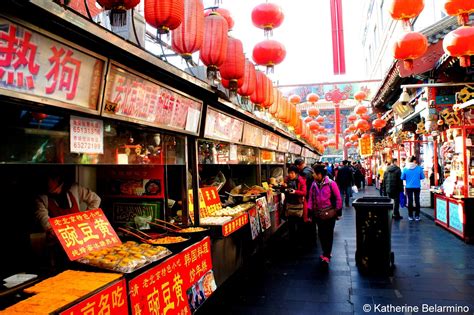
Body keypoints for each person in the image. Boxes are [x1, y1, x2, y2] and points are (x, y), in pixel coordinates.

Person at [35, 171, 101, 240]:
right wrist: (50, 228)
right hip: (58, 239)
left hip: (78, 236)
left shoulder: (74, 189)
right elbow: (42, 217)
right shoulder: (41, 198)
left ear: (57, 179)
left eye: (50, 179)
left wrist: (86, 218)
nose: (48, 182)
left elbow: (96, 199)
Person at [308, 164, 342, 265]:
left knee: (328, 234)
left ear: (319, 174)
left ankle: (327, 254)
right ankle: (325, 252)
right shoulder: (314, 185)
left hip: (330, 214)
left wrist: (338, 211)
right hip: (318, 214)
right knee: (321, 234)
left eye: (314, 173)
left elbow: (338, 198)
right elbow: (310, 198)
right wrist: (310, 211)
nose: (313, 175)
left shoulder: (331, 184)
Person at [283, 165, 308, 243]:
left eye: (292, 173)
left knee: (300, 224)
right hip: (289, 205)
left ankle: (299, 241)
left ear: (296, 173)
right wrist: (283, 187)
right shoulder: (286, 180)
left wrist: (295, 192)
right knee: (290, 225)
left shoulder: (301, 180)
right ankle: (292, 241)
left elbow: (304, 192)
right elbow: (283, 190)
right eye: (289, 173)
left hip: (299, 206)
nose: (290, 175)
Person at [401, 156, 425, 221]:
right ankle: (417, 216)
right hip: (417, 186)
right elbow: (422, 177)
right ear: (414, 161)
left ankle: (410, 216)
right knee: (417, 201)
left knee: (410, 201)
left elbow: (402, 177)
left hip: (408, 187)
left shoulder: (405, 169)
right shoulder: (419, 168)